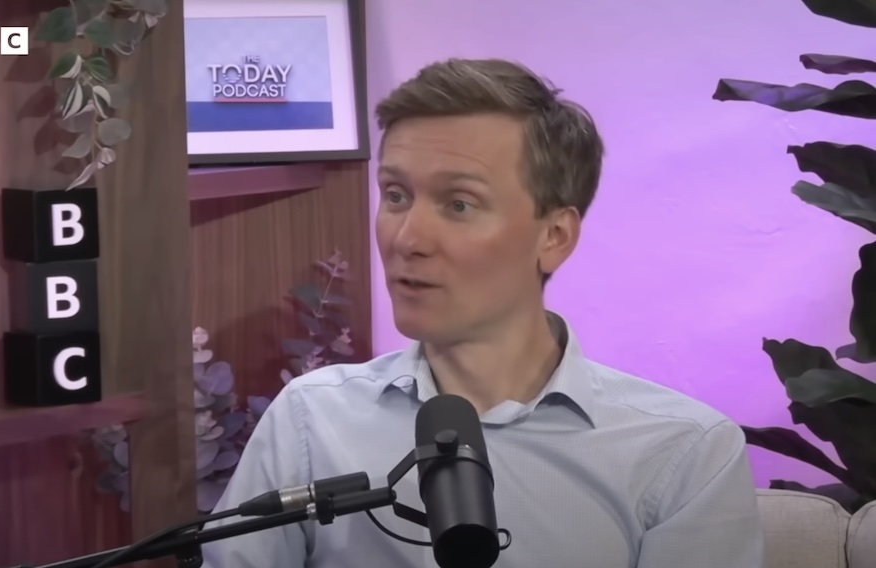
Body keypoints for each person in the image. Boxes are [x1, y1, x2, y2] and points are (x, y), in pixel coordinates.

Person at [200, 58, 764, 568]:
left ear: (554, 236)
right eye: (395, 195)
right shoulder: (310, 419)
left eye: (459, 204)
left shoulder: (684, 452)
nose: (408, 238)